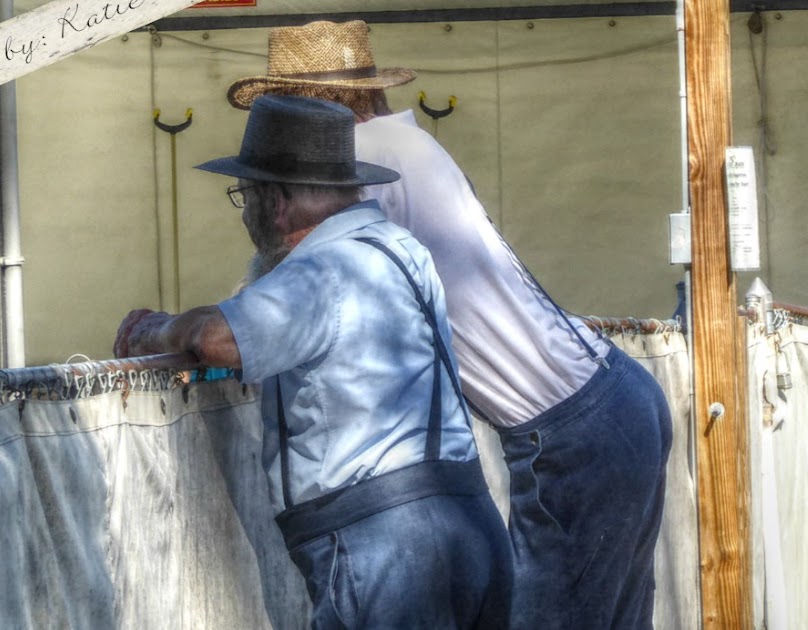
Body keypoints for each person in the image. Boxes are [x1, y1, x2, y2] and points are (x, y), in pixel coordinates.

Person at [226, 21, 674, 630]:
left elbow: (299, 278)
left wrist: (219, 324)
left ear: (322, 105)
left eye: (287, 106)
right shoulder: (404, 146)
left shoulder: (363, 163)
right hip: (604, 402)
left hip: (570, 431)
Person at [113, 94, 511, 629]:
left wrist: (152, 331)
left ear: (275, 201)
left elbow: (215, 339)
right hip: (471, 523)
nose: (246, 214)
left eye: (244, 195)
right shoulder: (399, 247)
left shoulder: (321, 272)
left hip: (386, 544)